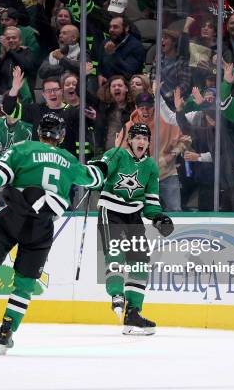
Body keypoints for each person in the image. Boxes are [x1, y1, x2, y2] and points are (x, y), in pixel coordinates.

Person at [0, 114, 105, 354]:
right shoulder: (69, 160)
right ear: (60, 136)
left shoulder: (22, 149)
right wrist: (102, 165)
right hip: (41, 228)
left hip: (13, 218)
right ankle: (7, 330)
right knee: (24, 283)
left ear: (39, 131)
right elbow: (95, 178)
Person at [97, 123, 174, 335]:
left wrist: (158, 218)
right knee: (115, 255)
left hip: (133, 216)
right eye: (137, 138)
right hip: (110, 211)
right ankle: (116, 294)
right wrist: (95, 173)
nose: (141, 142)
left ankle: (132, 313)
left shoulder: (150, 166)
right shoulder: (116, 155)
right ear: (129, 140)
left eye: (145, 139)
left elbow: (151, 202)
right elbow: (100, 170)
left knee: (140, 262)